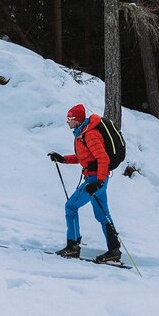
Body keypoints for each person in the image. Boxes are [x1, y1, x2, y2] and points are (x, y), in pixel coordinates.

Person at [48, 103, 120, 263]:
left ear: (78, 119)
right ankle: (114, 250)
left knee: (71, 206)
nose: (67, 121)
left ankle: (72, 246)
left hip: (95, 180)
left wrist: (98, 182)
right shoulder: (82, 133)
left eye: (70, 118)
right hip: (97, 179)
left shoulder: (90, 135)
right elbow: (85, 158)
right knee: (102, 214)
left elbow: (103, 159)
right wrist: (63, 159)